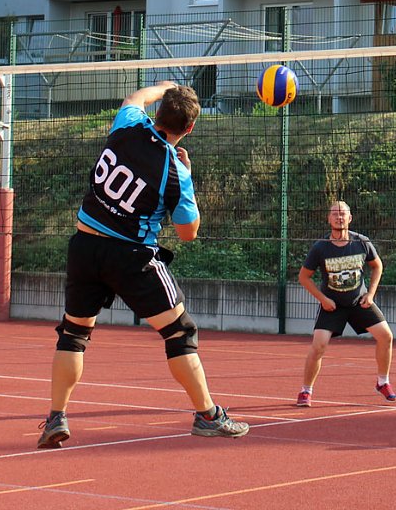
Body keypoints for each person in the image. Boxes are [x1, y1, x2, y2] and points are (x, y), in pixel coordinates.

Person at [36, 81, 249, 449]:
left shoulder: (128, 124)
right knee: (180, 333)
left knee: (73, 334)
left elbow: (134, 98)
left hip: (84, 246)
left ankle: (56, 416)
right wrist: (188, 178)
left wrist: (165, 87)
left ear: (158, 113)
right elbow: (188, 232)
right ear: (189, 128)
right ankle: (207, 416)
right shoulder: (174, 170)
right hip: (131, 256)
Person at [295, 201, 396, 407]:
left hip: (358, 302)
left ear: (350, 218)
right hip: (332, 305)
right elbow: (304, 277)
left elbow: (377, 266)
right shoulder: (320, 247)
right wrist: (323, 299)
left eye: (343, 214)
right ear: (329, 219)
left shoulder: (361, 242)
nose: (339, 217)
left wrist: (370, 294)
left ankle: (383, 382)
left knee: (386, 336)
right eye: (335, 214)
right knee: (319, 345)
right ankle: (306, 390)